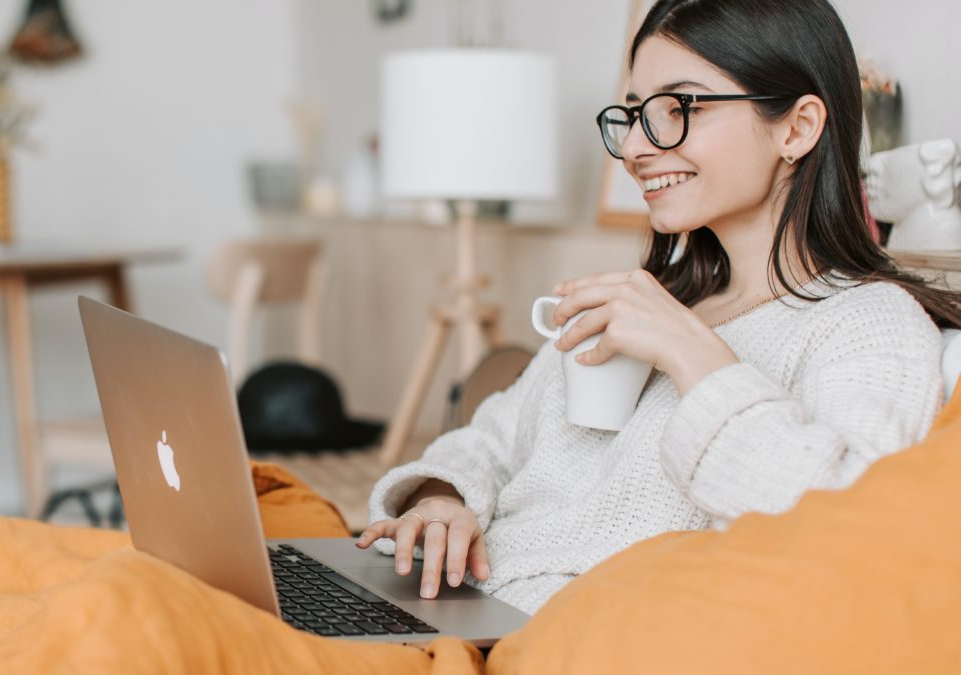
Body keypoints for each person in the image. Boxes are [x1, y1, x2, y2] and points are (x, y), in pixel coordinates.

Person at [357, 0, 961, 616]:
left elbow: (846, 527)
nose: (637, 148)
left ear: (798, 128)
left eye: (680, 108)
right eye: (636, 114)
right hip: (454, 603)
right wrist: (442, 498)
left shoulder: (866, 324)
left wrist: (692, 353)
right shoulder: (654, 296)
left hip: (558, 639)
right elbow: (489, 438)